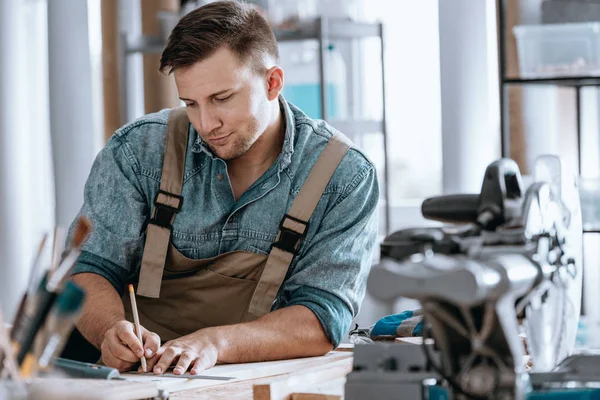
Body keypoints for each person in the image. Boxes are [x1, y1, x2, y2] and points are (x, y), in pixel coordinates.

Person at [65, 0, 379, 375]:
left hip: (250, 383)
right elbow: (87, 269)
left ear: (272, 82)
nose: (206, 123)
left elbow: (322, 317)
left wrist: (215, 343)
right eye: (191, 103)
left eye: (222, 99)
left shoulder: (343, 175)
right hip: (137, 380)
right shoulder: (138, 151)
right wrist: (108, 331)